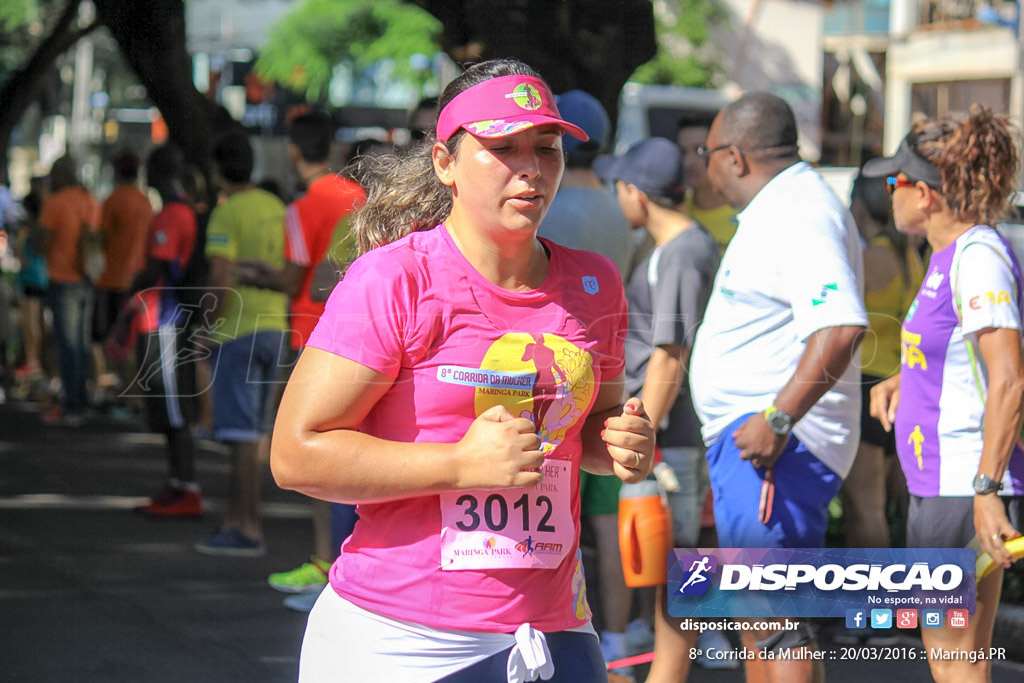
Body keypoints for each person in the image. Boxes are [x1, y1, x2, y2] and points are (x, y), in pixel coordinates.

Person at [270, 58, 656, 683]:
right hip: (401, 640)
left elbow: (590, 435)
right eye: (502, 147)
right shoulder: (396, 279)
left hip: (554, 629)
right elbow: (296, 454)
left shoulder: (594, 283)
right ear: (445, 163)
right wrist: (460, 465)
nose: (531, 168)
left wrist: (622, 441)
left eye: (547, 148)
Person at [688, 92, 867, 682]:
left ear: (734, 157)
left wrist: (780, 419)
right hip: (759, 446)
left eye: (706, 152)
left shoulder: (798, 209)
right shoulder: (782, 208)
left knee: (775, 616)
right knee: (760, 618)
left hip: (775, 450)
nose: (704, 166)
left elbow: (839, 326)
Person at [865, 105, 1024, 683]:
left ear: (925, 194)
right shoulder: (949, 256)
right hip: (943, 483)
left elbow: (1009, 377)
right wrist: (906, 379)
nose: (889, 193)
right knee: (963, 663)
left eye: (893, 182)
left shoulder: (977, 256)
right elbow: (956, 351)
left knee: (955, 665)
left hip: (961, 484)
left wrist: (986, 491)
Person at [595, 137, 720, 683]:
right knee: (668, 557)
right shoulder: (671, 247)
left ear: (635, 193)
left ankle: (668, 676)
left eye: (616, 186)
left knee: (680, 561)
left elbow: (671, 354)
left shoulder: (682, 251)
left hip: (672, 431)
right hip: (665, 427)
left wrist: (643, 430)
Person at [236, 110, 366, 603]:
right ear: (330, 149)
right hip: (364, 335)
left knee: (313, 453)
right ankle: (344, 563)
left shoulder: (302, 206)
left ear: (294, 151)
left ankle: (325, 564)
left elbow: (295, 280)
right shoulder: (361, 198)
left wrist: (257, 274)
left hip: (311, 335)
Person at [534, 89, 634, 674]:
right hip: (607, 383)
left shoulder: (553, 210)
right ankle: (616, 634)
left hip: (546, 387)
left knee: (561, 524)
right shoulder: (619, 211)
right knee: (603, 523)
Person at [193, 131, 289, 557]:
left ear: (217, 170)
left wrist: (203, 325)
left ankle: (247, 528)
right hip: (278, 328)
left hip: (238, 331)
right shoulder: (276, 207)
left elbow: (219, 276)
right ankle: (237, 520)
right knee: (251, 437)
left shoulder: (225, 214)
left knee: (241, 438)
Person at [127, 144, 202, 517]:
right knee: (165, 411)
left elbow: (157, 267)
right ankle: (176, 485)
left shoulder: (173, 214)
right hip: (159, 319)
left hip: (167, 321)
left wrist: (128, 287)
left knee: (174, 412)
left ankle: (187, 489)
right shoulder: (177, 209)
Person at [40, 155, 101, 426]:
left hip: (63, 278)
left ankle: (72, 405)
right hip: (88, 278)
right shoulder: (90, 200)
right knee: (81, 343)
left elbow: (41, 241)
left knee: (68, 345)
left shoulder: (55, 202)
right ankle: (81, 400)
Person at [93, 150, 153, 404]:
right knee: (131, 341)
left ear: (117, 172)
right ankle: (133, 396)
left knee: (106, 339)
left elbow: (100, 236)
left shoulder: (112, 200)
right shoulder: (145, 201)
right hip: (138, 280)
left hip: (112, 279)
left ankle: (114, 389)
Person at [675, 113, 738, 252]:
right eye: (682, 152)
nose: (688, 162)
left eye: (700, 151)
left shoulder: (741, 213)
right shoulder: (675, 211)